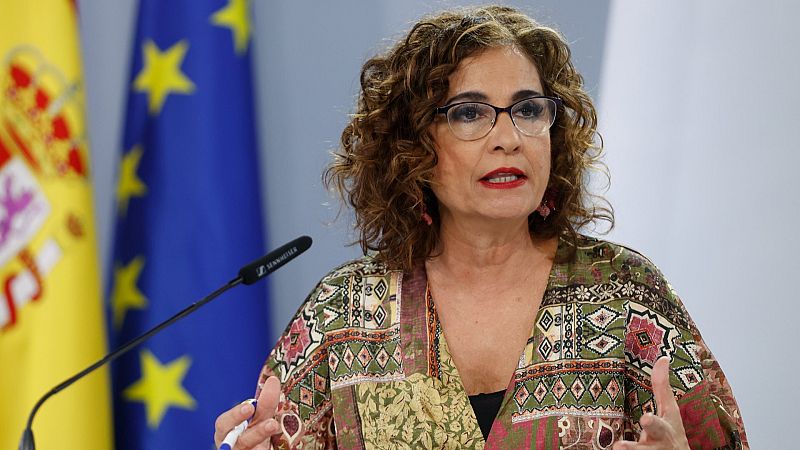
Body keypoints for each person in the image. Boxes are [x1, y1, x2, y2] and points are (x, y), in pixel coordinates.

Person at [214, 5, 748, 449]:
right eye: (470, 113)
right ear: (415, 146)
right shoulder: (341, 315)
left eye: (528, 110)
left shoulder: (628, 296)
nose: (508, 138)